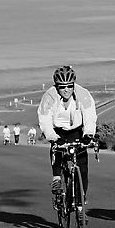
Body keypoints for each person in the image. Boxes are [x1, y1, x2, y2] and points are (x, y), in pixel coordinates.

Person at [37, 65, 97, 198]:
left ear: (73, 85)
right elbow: (45, 119)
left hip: (77, 130)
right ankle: (57, 178)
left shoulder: (83, 94)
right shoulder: (49, 96)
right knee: (56, 149)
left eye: (69, 86)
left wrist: (89, 134)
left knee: (82, 168)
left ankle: (81, 203)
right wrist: (52, 137)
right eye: (62, 87)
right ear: (56, 86)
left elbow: (90, 116)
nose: (66, 90)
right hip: (58, 131)